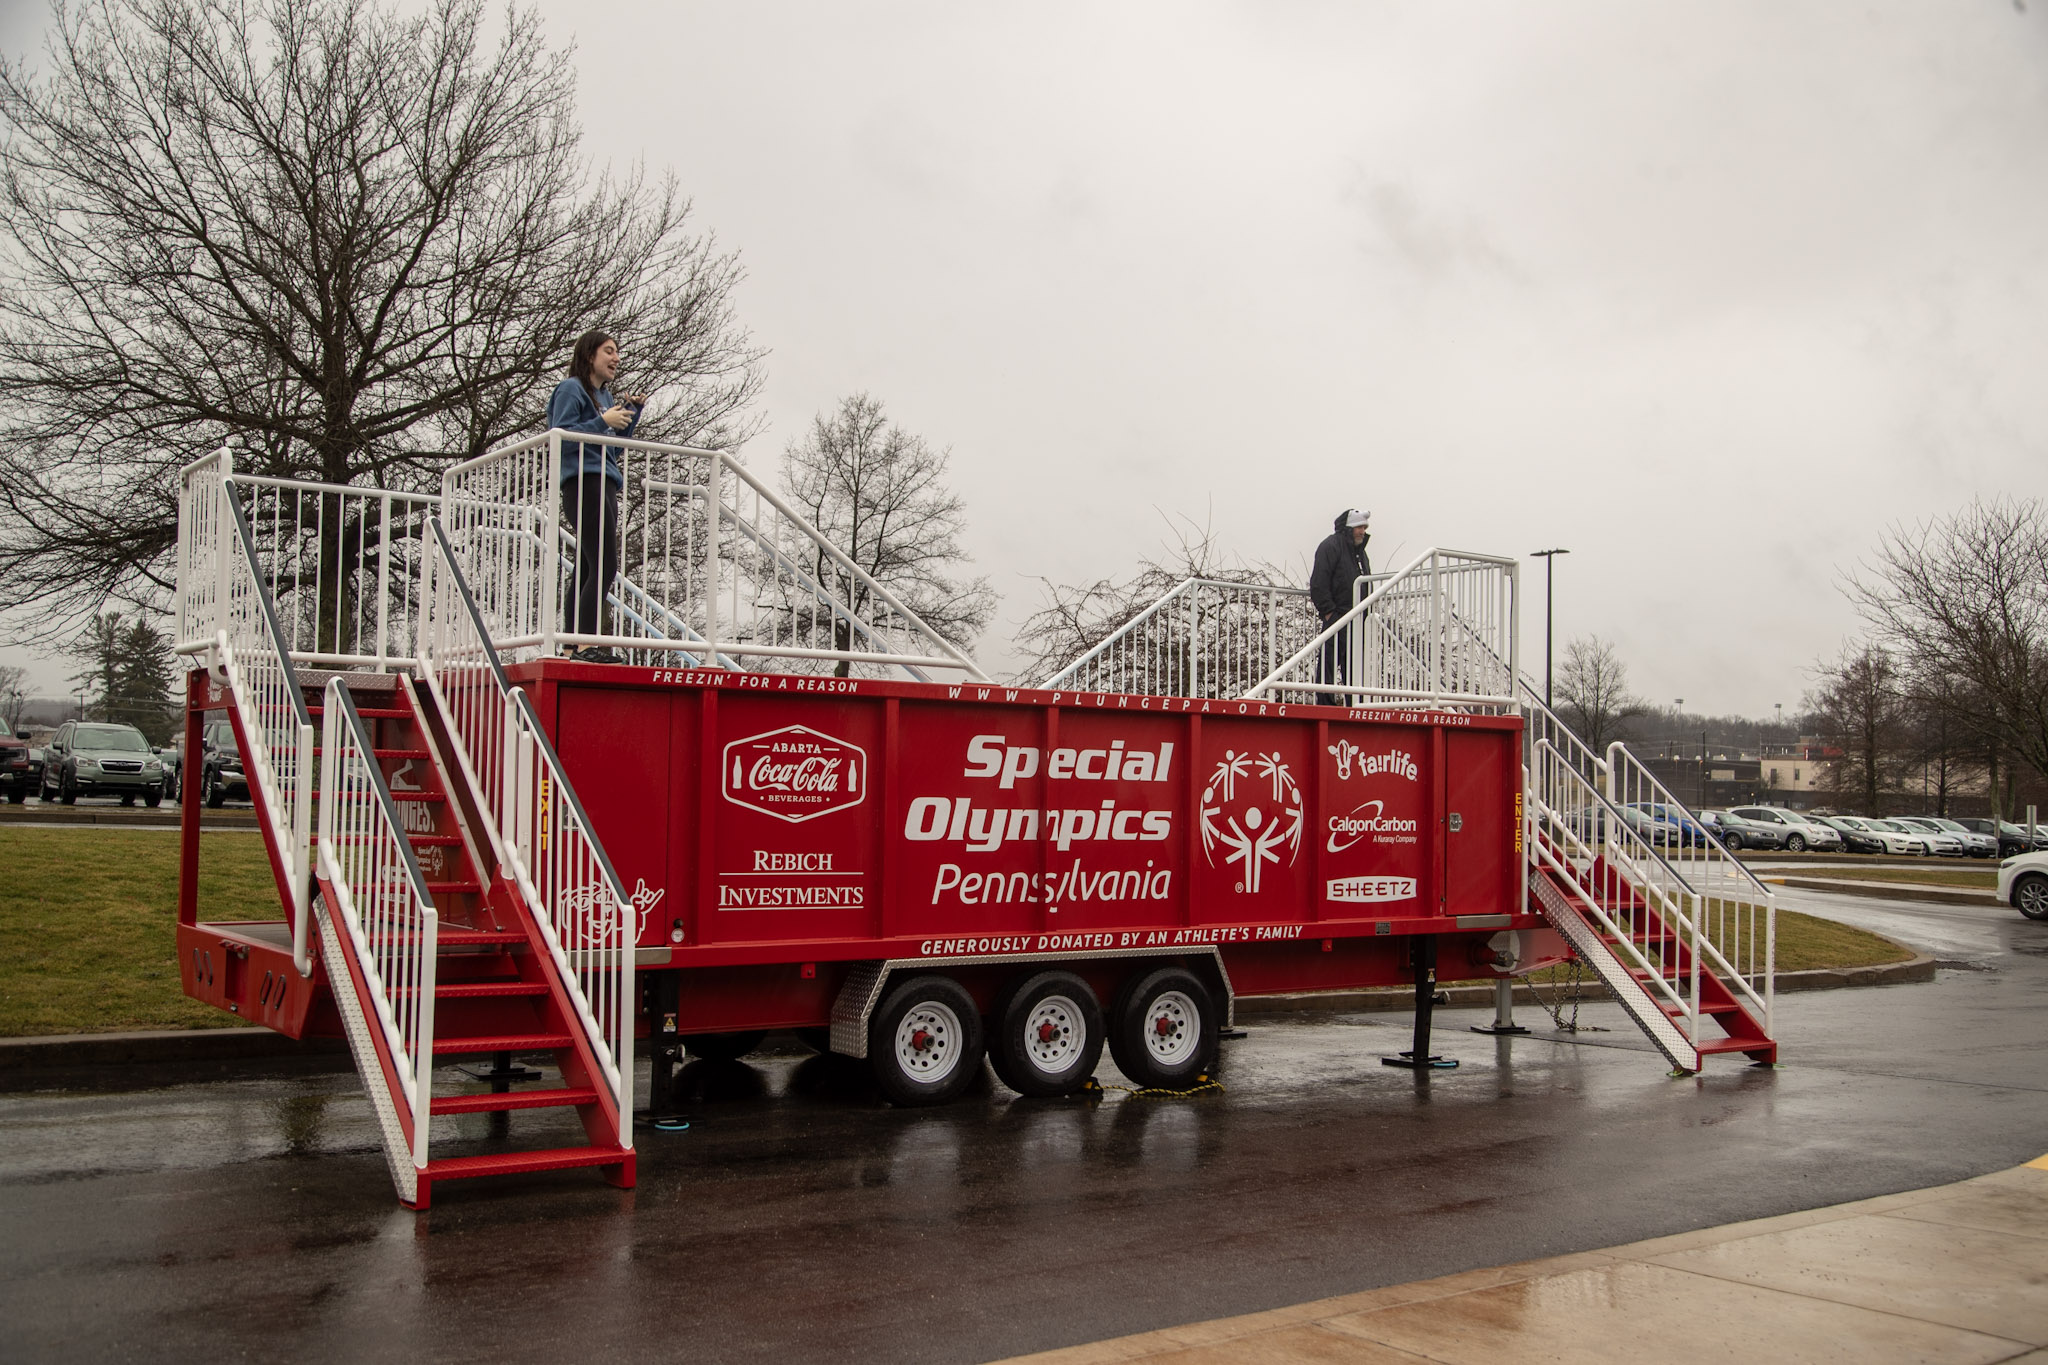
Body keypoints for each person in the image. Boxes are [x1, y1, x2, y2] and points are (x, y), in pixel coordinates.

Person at [548, 331, 645, 663]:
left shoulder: (604, 396)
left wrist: (630, 416)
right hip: (583, 482)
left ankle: (571, 645)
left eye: (617, 352)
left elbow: (611, 448)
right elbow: (561, 435)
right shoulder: (571, 388)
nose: (616, 358)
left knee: (589, 565)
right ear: (590, 355)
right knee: (605, 564)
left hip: (605, 481)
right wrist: (602, 420)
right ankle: (586, 643)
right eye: (609, 351)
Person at [1308, 508, 1372, 706]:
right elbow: (1319, 582)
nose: (1362, 531)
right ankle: (1325, 703)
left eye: (1364, 527)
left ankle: (1356, 704)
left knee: (1355, 665)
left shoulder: (1360, 553)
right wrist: (1329, 612)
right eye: (1359, 527)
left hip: (1358, 619)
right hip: (1337, 615)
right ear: (1349, 528)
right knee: (1329, 661)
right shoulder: (1330, 546)